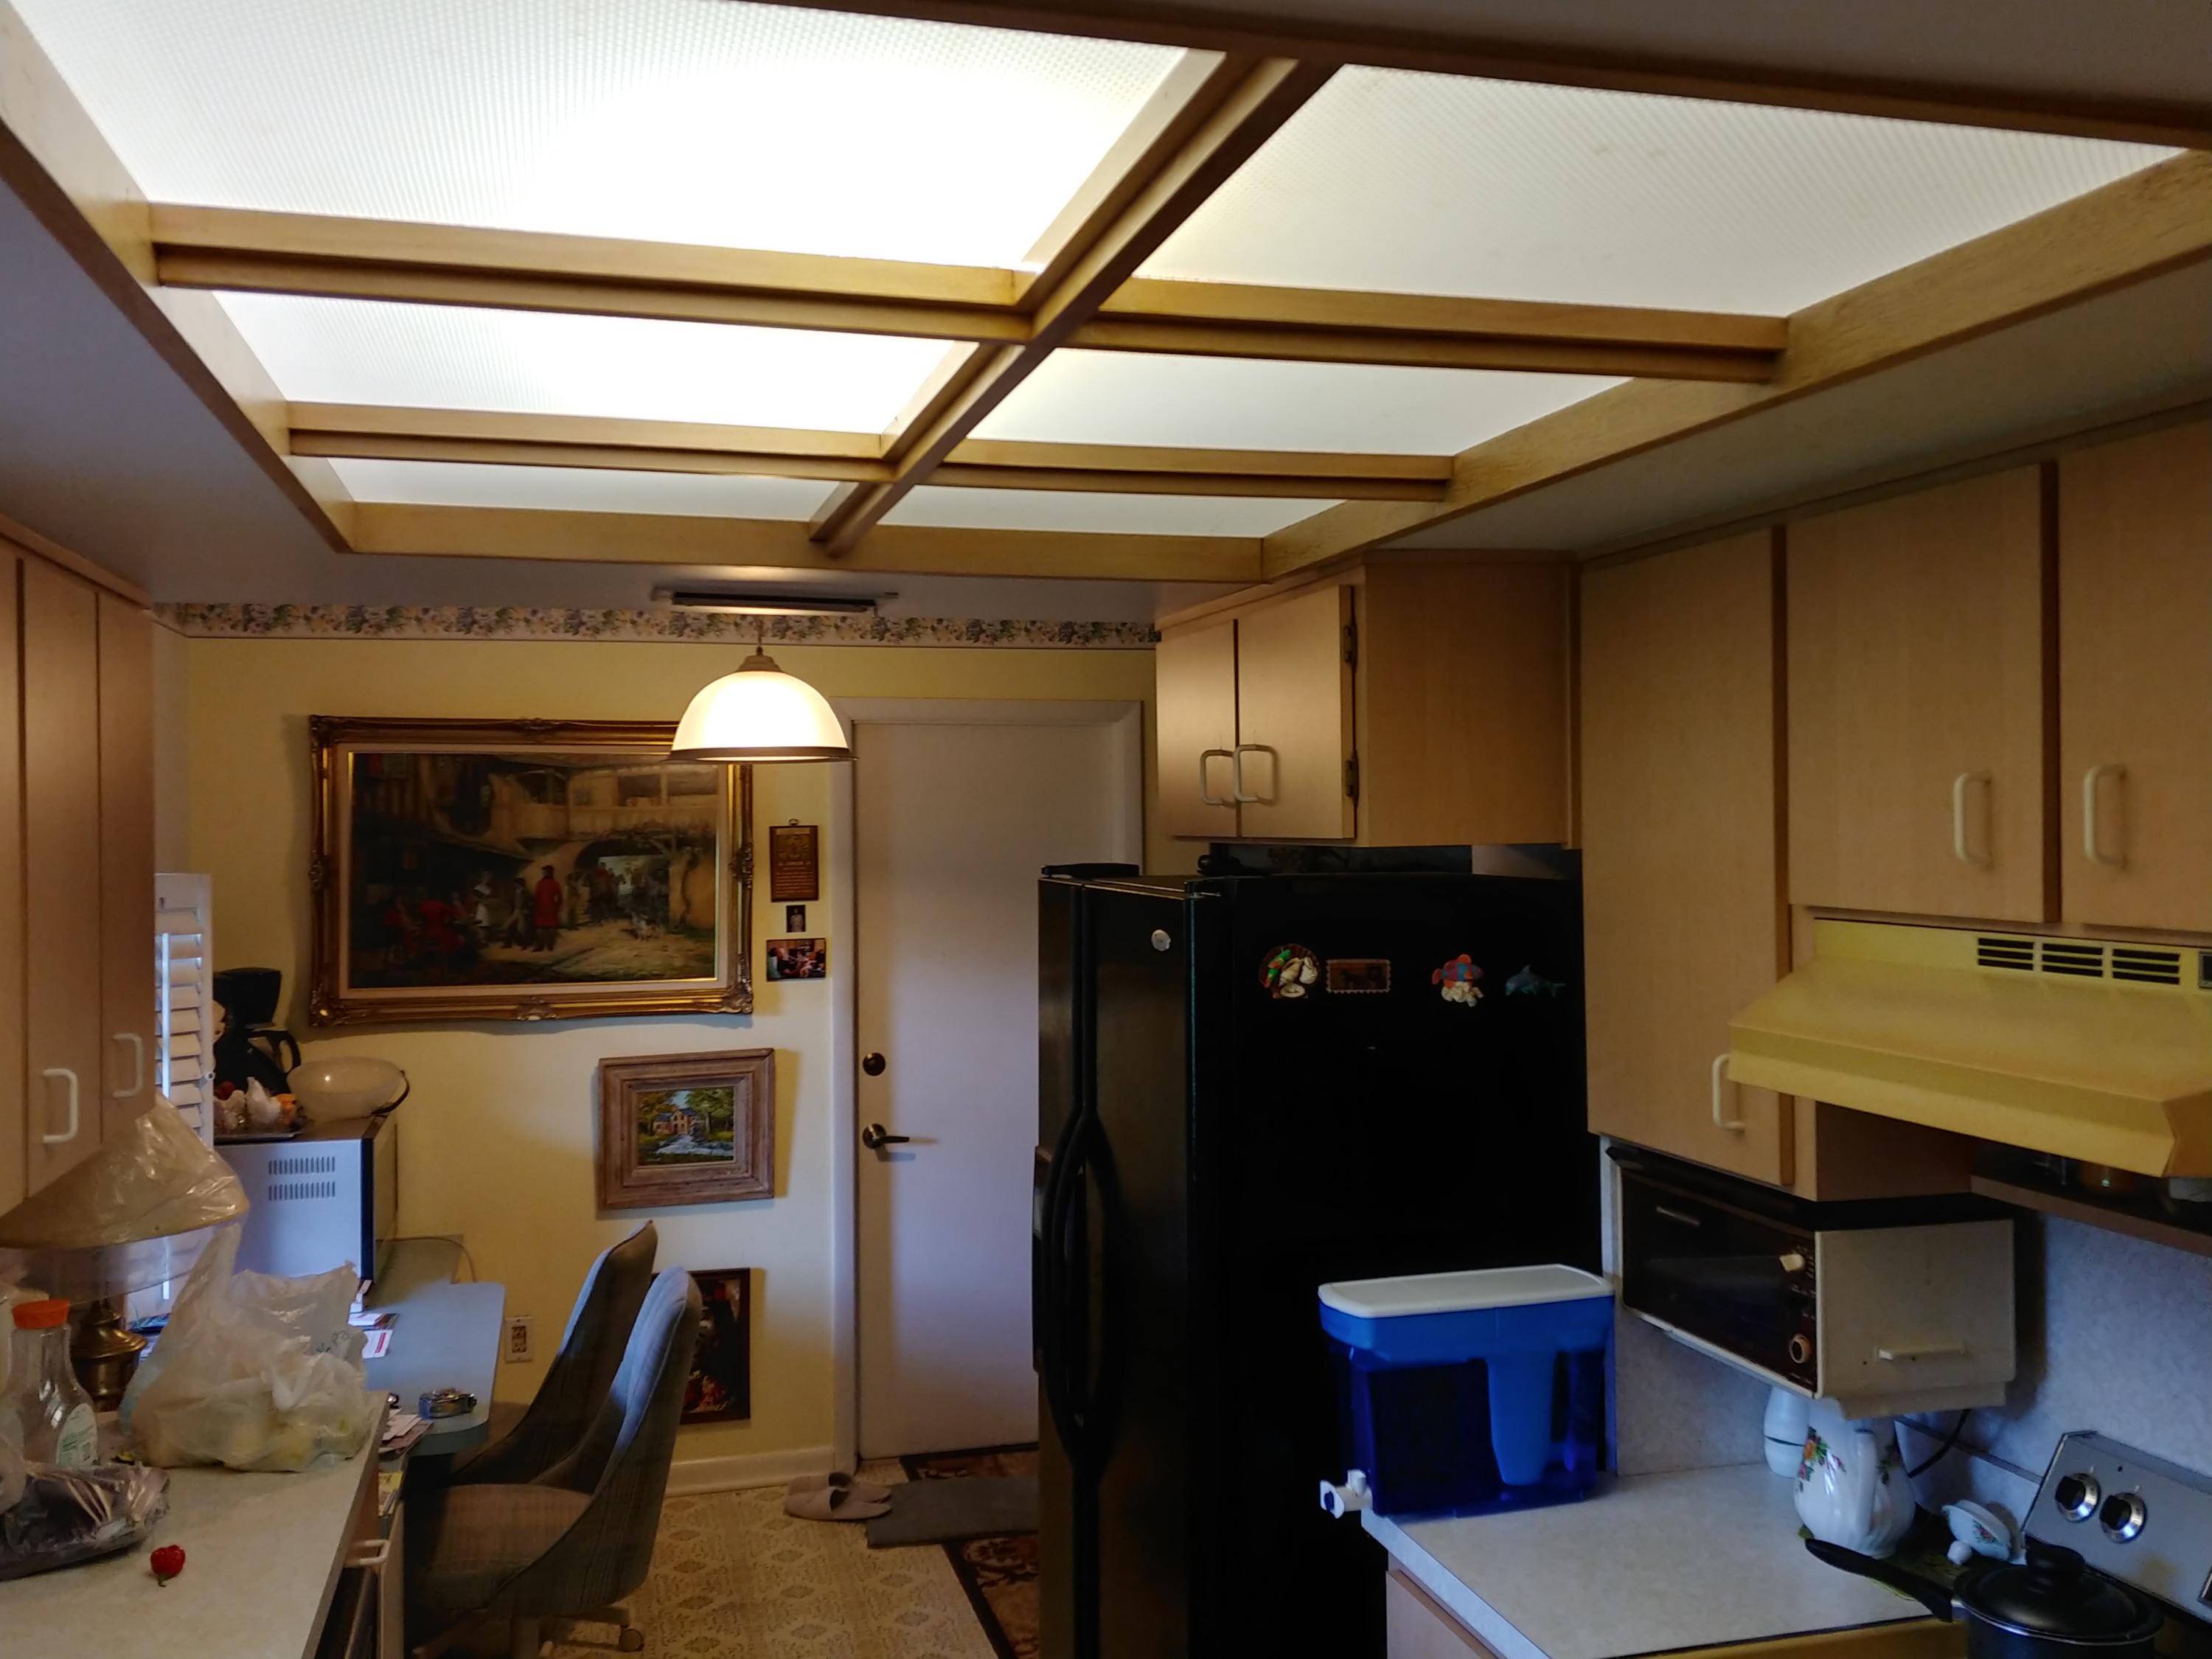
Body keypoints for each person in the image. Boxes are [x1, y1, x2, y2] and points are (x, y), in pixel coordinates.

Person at [532, 863, 564, 952]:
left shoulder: (544, 883)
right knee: (544, 928)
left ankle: (545, 946)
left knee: (544, 928)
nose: (543, 873)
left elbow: (560, 897)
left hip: (545, 908)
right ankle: (546, 946)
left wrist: (556, 906)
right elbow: (537, 896)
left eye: (545, 872)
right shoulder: (546, 883)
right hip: (545, 908)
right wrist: (556, 906)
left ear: (548, 873)